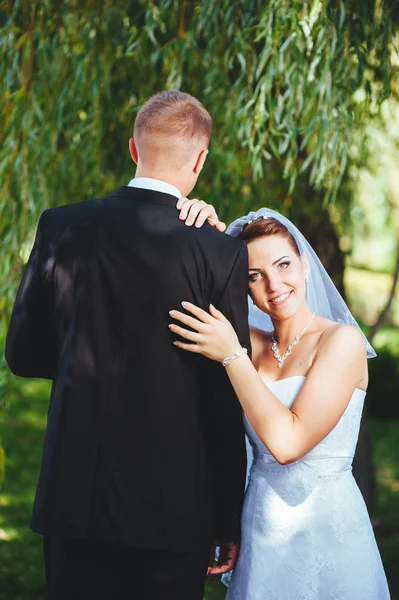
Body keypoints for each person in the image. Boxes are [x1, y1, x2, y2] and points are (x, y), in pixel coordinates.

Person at [5, 91, 251, 600]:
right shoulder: (220, 250)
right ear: (200, 159)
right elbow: (225, 394)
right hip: (175, 508)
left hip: (76, 497)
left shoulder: (61, 225)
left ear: (133, 150)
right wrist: (227, 517)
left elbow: (22, 356)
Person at [171, 204, 391, 599]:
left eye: (284, 265)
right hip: (260, 530)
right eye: (255, 275)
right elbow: (177, 295)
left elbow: (289, 444)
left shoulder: (341, 342)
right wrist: (203, 229)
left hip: (328, 533)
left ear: (305, 264)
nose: (274, 285)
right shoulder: (247, 340)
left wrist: (231, 356)